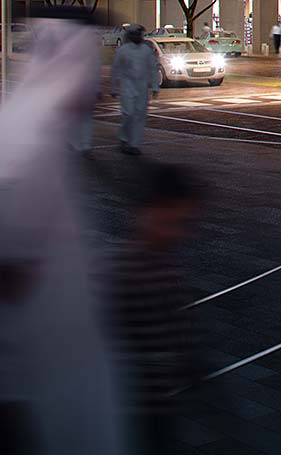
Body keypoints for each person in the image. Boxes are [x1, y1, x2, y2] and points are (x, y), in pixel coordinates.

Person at [0, 14, 124, 454]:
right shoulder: (27, 139)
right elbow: (4, 264)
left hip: (42, 359)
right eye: (91, 65)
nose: (98, 82)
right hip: (35, 367)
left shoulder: (21, 123)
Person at [109, 163, 203, 455]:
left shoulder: (167, 265)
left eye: (183, 225)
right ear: (144, 212)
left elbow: (179, 323)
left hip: (159, 401)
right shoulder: (119, 269)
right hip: (130, 404)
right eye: (169, 222)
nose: (176, 234)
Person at [110, 24, 159, 157]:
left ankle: (134, 144)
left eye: (140, 34)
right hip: (127, 88)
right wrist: (113, 87)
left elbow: (153, 68)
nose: (138, 37)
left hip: (142, 89)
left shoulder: (146, 50)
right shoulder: (123, 51)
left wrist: (155, 86)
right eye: (135, 34)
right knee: (128, 114)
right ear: (130, 35)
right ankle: (124, 138)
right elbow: (115, 69)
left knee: (139, 116)